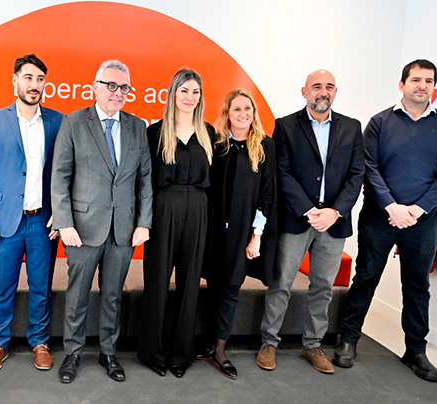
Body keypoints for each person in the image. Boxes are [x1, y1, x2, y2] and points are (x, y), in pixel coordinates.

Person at [334, 59, 437, 382]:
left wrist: (418, 209)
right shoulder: (380, 123)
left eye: (429, 81)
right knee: (366, 278)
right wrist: (392, 206)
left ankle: (416, 351)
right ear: (402, 84)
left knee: (417, 287)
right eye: (416, 79)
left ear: (434, 86)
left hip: (424, 220)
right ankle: (348, 340)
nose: (423, 85)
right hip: (380, 216)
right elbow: (369, 167)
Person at [256, 69, 365, 374]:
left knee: (323, 287)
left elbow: (357, 174)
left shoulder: (352, 128)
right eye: (317, 86)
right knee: (281, 283)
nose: (323, 92)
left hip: (334, 222)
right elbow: (282, 172)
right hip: (296, 219)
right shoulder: (286, 126)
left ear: (336, 91)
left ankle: (312, 345)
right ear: (304, 91)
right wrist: (308, 210)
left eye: (329, 87)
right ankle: (269, 342)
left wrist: (334, 211)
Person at [51, 60, 153, 384]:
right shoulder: (74, 122)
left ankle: (108, 352)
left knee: (112, 296)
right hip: (81, 229)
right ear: (95, 86)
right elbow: (60, 177)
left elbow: (145, 181)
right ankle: (73, 352)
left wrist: (144, 223)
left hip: (123, 230)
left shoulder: (138, 126)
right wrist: (64, 222)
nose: (117, 93)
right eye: (111, 85)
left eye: (124, 87)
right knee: (78, 295)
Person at [0, 54, 63, 372]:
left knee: (42, 285)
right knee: (3, 285)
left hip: (44, 220)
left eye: (40, 79)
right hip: (6, 220)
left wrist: (62, 214)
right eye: (28, 77)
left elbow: (64, 172)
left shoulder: (57, 121)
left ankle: (39, 341)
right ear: (15, 80)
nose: (34, 84)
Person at [137, 69, 214, 378]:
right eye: (184, 91)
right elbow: (144, 182)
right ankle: (152, 352)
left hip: (198, 208)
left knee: (190, 283)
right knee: (156, 281)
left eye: (195, 92)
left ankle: (182, 354)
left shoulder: (209, 132)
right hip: (164, 207)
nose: (189, 97)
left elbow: (216, 183)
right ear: (173, 94)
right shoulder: (155, 133)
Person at [200, 88, 277, 380]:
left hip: (244, 234)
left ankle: (220, 350)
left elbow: (267, 194)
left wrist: (256, 235)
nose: (243, 114)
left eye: (248, 109)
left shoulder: (264, 147)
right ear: (227, 114)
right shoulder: (217, 145)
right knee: (215, 285)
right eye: (237, 110)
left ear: (254, 113)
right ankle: (209, 343)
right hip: (214, 230)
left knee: (231, 288)